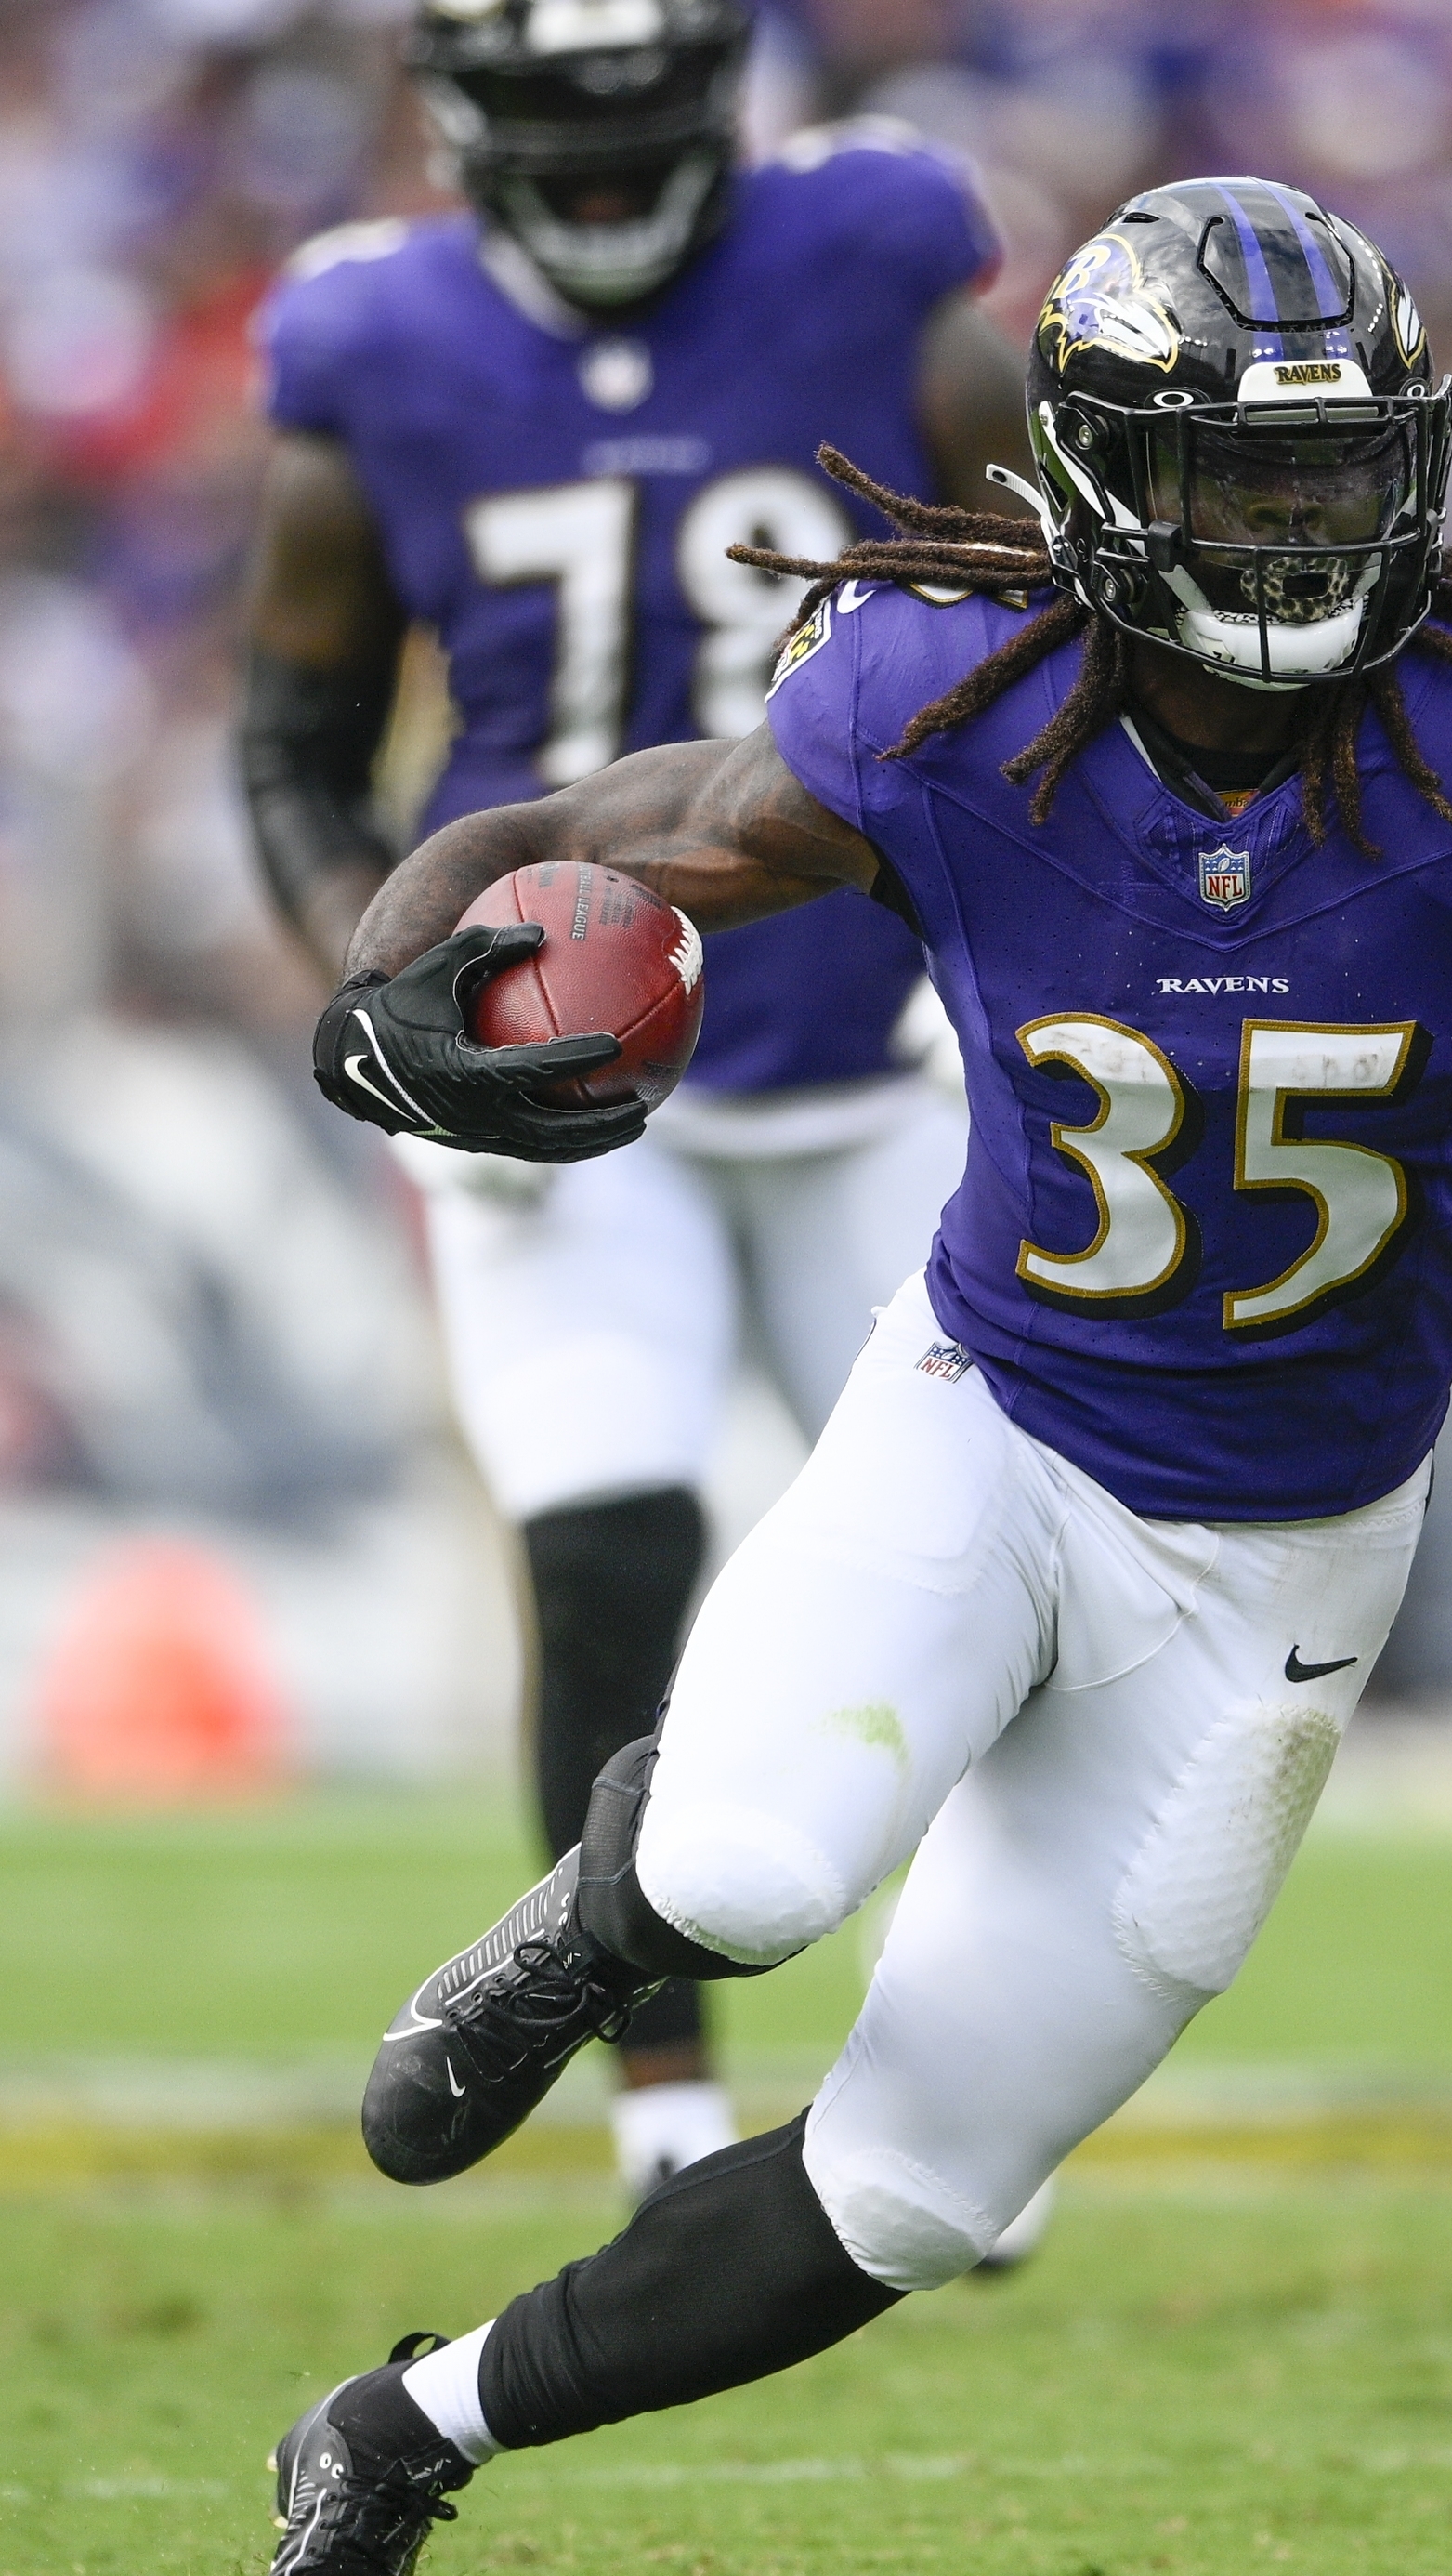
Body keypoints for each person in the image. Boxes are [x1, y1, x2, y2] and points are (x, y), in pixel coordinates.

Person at [243, 177, 1452, 2576]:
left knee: (922, 2196)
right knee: (746, 1872)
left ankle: (393, 2439)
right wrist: (390, 1008)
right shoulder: (947, 696)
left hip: (1285, 1560)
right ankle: (592, 1925)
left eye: (1334, 474)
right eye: (1232, 479)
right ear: (1085, 474)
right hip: (996, 1425)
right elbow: (572, 832)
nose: (1292, 533)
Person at [240, 0, 1020, 2199]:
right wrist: (389, 981)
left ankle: (961, 2071)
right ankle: (664, 2098)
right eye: (551, 142)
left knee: (987, 1563)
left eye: (630, 133)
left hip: (865, 1049)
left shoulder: (877, 251)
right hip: (561, 1080)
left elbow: (1057, 619)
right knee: (605, 1555)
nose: (598, 185)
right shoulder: (373, 341)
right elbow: (292, 743)